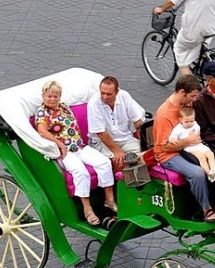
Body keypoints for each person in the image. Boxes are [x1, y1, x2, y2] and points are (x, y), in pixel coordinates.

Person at [35, 80, 116, 225]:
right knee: (81, 172)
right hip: (64, 152)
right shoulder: (42, 113)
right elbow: (42, 131)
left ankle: (109, 200)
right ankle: (87, 209)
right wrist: (60, 145)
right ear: (43, 96)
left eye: (56, 96)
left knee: (104, 162)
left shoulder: (64, 107)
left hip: (79, 146)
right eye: (49, 96)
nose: (53, 99)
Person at [152, 74, 215, 221]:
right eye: (192, 96)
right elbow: (165, 147)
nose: (194, 100)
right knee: (197, 173)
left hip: (190, 148)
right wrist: (189, 140)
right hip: (169, 155)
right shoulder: (165, 115)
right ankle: (206, 209)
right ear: (182, 92)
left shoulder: (186, 105)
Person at [87, 76, 146, 171]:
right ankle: (117, 184)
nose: (105, 97)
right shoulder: (93, 103)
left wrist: (144, 143)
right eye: (102, 93)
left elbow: (137, 122)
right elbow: (100, 133)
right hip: (102, 142)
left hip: (125, 139)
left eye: (109, 94)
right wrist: (117, 151)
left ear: (117, 92)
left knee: (145, 155)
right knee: (118, 161)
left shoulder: (124, 96)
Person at [169, 106, 215, 182]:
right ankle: (208, 173)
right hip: (189, 147)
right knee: (201, 157)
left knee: (210, 154)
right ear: (180, 120)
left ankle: (213, 170)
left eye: (191, 121)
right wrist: (173, 139)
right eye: (186, 122)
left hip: (198, 145)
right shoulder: (178, 128)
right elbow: (173, 136)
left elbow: (198, 131)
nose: (189, 124)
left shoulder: (195, 124)